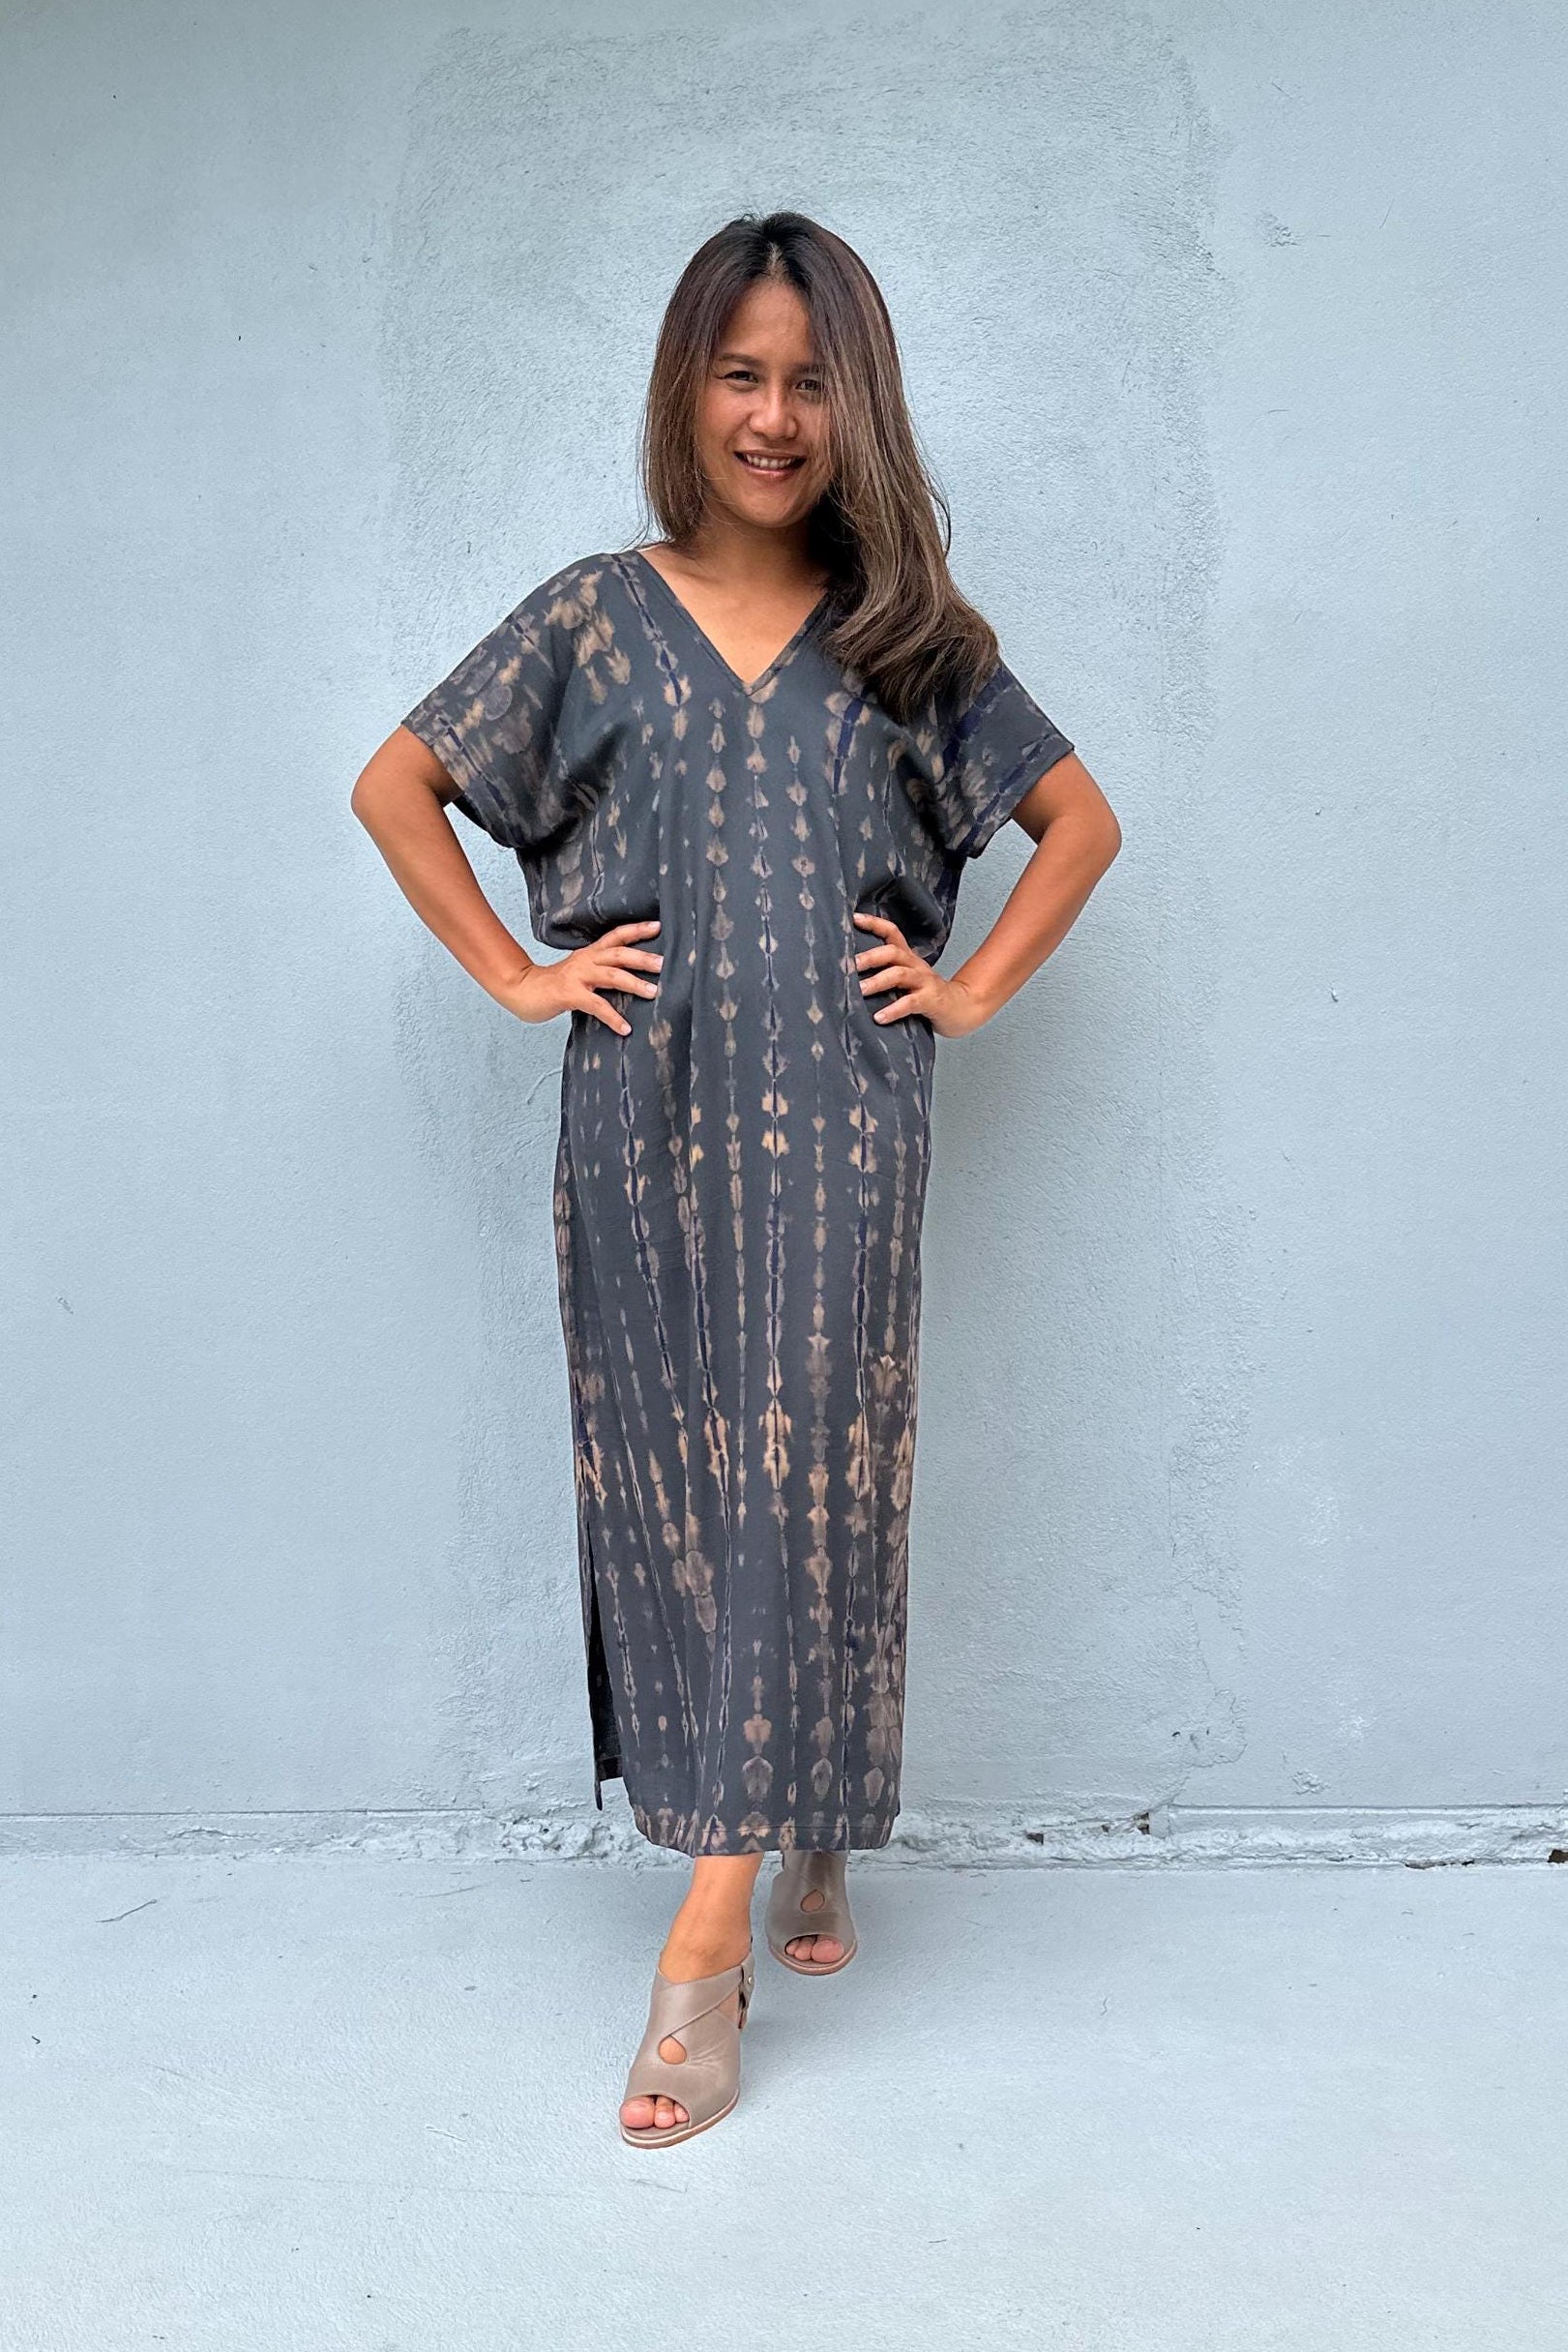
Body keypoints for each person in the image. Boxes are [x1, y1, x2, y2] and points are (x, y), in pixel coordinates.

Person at [351, 208, 1121, 2148]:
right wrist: (520, 972)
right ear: (687, 388)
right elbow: (397, 783)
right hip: (645, 1136)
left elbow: (1078, 821)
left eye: (808, 380)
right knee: (686, 1486)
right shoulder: (594, 617)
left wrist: (963, 986)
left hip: (851, 1125)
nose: (773, 416)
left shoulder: (907, 644)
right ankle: (806, 1826)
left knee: (811, 1464)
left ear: (853, 407)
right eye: (739, 372)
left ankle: (708, 1936)